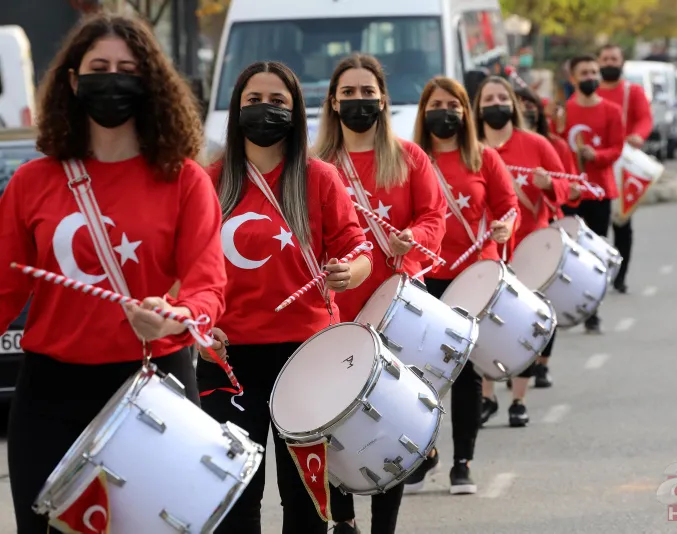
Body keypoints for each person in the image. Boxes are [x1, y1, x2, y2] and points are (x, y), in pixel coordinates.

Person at [0, 13, 227, 532]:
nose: (113, 78)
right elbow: (3, 288)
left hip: (155, 387)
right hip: (49, 397)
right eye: (99, 67)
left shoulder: (185, 180)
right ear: (74, 81)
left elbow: (207, 280)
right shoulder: (32, 183)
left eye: (127, 68)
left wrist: (177, 315)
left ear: (148, 83)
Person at [196, 61, 373, 534]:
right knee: (235, 502)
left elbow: (360, 253)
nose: (265, 110)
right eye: (253, 101)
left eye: (277, 102)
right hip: (227, 360)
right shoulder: (206, 182)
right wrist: (195, 325)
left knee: (307, 504)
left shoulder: (320, 178)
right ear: (235, 110)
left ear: (296, 113)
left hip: (306, 358)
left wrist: (347, 273)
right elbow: (184, 270)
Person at [313, 53, 446, 534]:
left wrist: (412, 243)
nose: (358, 101)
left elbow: (435, 217)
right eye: (348, 93)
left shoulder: (409, 157)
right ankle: (344, 520)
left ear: (383, 99)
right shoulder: (318, 165)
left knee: (388, 427)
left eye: (367, 92)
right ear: (332, 101)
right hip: (336, 315)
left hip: (396, 309)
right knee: (333, 425)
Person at [404, 75, 518, 493]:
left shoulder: (483, 158)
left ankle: (463, 462)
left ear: (465, 113)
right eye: (436, 104)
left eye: (453, 105)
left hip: (473, 277)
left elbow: (507, 208)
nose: (445, 112)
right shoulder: (411, 159)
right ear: (423, 112)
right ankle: (425, 454)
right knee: (421, 376)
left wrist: (505, 228)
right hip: (424, 277)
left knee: (467, 371)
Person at [471, 76, 569, 425]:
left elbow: (568, 190)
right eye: (488, 98)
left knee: (525, 325)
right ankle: (486, 396)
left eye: (501, 97)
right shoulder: (471, 148)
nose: (495, 104)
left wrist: (549, 184)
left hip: (531, 249)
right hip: (486, 252)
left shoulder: (537, 144)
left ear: (512, 104)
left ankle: (518, 400)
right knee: (484, 326)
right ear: (477, 107)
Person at [563, 54, 625, 334]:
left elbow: (616, 149)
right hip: (570, 194)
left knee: (595, 254)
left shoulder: (612, 111)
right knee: (569, 255)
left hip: (599, 192)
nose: (590, 77)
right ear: (573, 78)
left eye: (594, 72)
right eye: (584, 73)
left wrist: (596, 155)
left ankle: (593, 311)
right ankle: (567, 307)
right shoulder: (563, 112)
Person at [596, 43, 654, 294]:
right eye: (605, 58)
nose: (609, 63)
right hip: (596, 167)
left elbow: (645, 119)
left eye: (614, 58)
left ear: (622, 62)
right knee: (595, 226)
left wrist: (638, 136)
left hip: (624, 167)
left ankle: (621, 276)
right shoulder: (589, 94)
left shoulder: (633, 92)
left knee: (622, 221)